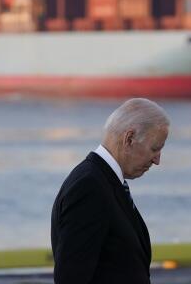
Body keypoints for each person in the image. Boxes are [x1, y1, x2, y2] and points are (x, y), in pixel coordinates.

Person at [50, 98, 170, 284]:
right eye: (155, 149)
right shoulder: (90, 187)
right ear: (129, 139)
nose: (157, 160)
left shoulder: (103, 181)